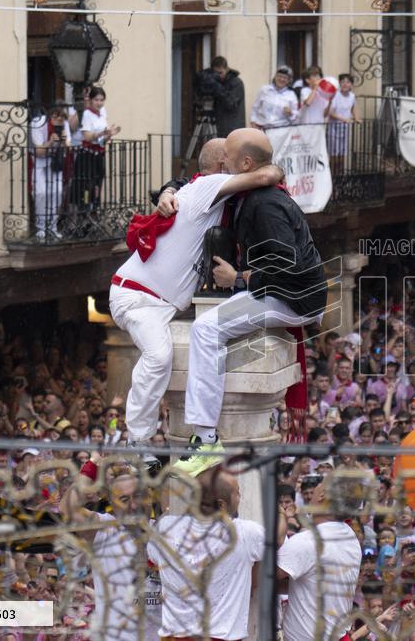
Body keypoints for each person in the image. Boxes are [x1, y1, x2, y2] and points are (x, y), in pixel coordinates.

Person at [109, 138, 284, 468]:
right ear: (222, 166)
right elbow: (265, 177)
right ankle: (136, 440)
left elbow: (178, 184)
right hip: (137, 297)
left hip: (157, 300)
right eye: (232, 158)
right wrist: (272, 165)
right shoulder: (209, 185)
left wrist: (167, 191)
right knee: (159, 356)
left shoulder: (197, 189)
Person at [168, 128, 328, 464]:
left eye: (226, 154)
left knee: (206, 329)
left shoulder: (266, 204)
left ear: (245, 163)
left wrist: (238, 277)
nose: (221, 160)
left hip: (293, 299)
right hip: (288, 293)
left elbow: (289, 264)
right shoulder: (254, 191)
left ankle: (206, 437)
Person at [147, 463, 285, 640]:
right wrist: (281, 514)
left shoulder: (164, 528)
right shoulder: (243, 533)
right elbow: (278, 538)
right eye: (237, 492)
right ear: (221, 504)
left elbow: (153, 561)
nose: (240, 496)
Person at [61, 467, 153, 641]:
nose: (133, 505)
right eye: (124, 499)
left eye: (138, 496)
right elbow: (67, 508)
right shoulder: (105, 529)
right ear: (112, 503)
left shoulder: (166, 529)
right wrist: (93, 465)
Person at [276, 471, 362, 641]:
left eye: (320, 484)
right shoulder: (350, 536)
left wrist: (280, 522)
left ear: (323, 494)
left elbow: (262, 577)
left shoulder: (308, 541)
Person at [70, 86, 121, 215]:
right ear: (91, 100)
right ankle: (82, 215)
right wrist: (101, 133)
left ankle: (92, 214)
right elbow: (87, 136)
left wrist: (109, 134)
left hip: (99, 153)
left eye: (101, 100)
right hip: (87, 155)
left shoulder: (102, 112)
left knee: (96, 185)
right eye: (96, 100)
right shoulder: (87, 114)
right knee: (84, 187)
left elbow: (102, 140)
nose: (99, 103)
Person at [28, 105, 71, 240]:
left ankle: (52, 227)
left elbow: (68, 147)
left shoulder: (64, 125)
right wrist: (50, 142)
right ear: (50, 117)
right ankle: (41, 227)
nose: (59, 121)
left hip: (55, 162)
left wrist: (64, 142)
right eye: (56, 117)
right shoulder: (37, 124)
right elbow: (39, 152)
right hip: (39, 162)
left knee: (57, 193)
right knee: (41, 193)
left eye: (62, 118)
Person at [195, 55, 246, 138]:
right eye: (216, 73)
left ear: (226, 69)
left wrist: (217, 88)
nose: (218, 76)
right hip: (219, 125)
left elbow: (231, 104)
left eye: (220, 73)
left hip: (232, 129)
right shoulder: (214, 82)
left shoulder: (236, 83)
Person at [326, 74, 359, 173]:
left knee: (342, 155)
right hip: (334, 129)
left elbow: (352, 108)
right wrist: (344, 119)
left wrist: (356, 117)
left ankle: (340, 177)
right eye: (343, 82)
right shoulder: (335, 95)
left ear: (351, 85)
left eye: (348, 82)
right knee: (334, 155)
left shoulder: (352, 96)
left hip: (345, 129)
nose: (345, 84)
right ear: (340, 83)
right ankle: (332, 177)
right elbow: (330, 113)